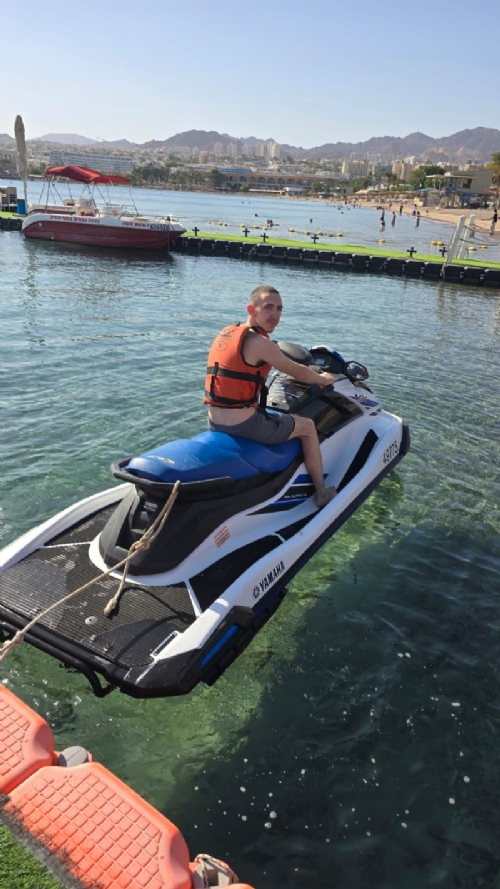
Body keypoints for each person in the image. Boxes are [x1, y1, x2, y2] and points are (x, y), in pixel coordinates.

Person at [204, 285, 337, 508]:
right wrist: (322, 378)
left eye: (279, 309)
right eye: (268, 307)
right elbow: (299, 372)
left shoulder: (227, 333)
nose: (275, 314)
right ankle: (322, 494)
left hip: (214, 422)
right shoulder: (260, 343)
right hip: (243, 425)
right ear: (251, 309)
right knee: (307, 427)